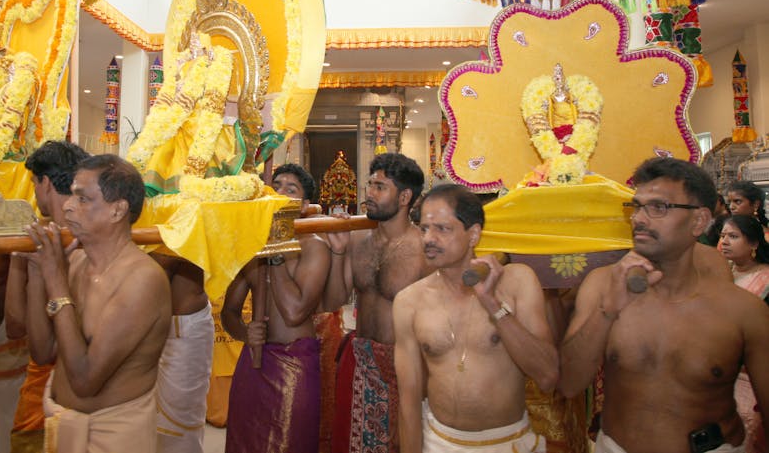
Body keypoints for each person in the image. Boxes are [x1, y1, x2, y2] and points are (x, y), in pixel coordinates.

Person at [559, 157, 769, 453]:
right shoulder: (601, 285)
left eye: (658, 207)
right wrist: (607, 311)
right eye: (636, 206)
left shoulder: (743, 311)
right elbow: (568, 384)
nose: (639, 218)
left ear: (699, 221)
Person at [393, 184, 557, 453]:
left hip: (508, 442)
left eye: (442, 229)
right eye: (424, 229)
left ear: (473, 235)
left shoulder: (517, 281)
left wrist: (493, 305)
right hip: (439, 442)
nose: (428, 239)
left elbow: (547, 375)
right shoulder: (409, 301)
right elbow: (409, 402)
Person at [25, 154, 171, 453]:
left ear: (117, 211)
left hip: (113, 436)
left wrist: (54, 282)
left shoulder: (142, 278)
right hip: (62, 425)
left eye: (82, 199)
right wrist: (38, 272)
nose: (67, 206)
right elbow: (42, 352)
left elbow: (85, 380)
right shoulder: (76, 262)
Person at [222, 163, 332, 453]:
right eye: (276, 185)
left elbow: (295, 312)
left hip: (295, 367)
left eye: (290, 189)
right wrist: (246, 333)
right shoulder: (250, 246)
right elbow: (229, 312)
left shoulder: (314, 246)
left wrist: (275, 251)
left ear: (305, 204)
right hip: (254, 362)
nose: (279, 192)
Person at [324, 153, 427, 453]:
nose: (369, 193)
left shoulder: (424, 248)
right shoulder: (358, 240)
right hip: (361, 361)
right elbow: (335, 300)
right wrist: (339, 253)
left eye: (380, 187)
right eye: (369, 184)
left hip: (406, 366)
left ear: (405, 196)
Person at [4, 140, 89, 453]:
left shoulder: (39, 240)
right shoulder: (96, 238)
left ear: (46, 183)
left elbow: (16, 327)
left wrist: (19, 260)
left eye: (33, 183)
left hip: (48, 398)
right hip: (91, 404)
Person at [150, 251, 213, 453]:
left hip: (184, 331)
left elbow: (156, 274)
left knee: (179, 425)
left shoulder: (187, 223)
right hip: (150, 324)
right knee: (147, 421)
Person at [718, 214, 769, 452]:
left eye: (734, 236)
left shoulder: (766, 280)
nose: (725, 241)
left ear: (754, 244)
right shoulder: (718, 274)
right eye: (723, 236)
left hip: (751, 372)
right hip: (718, 370)